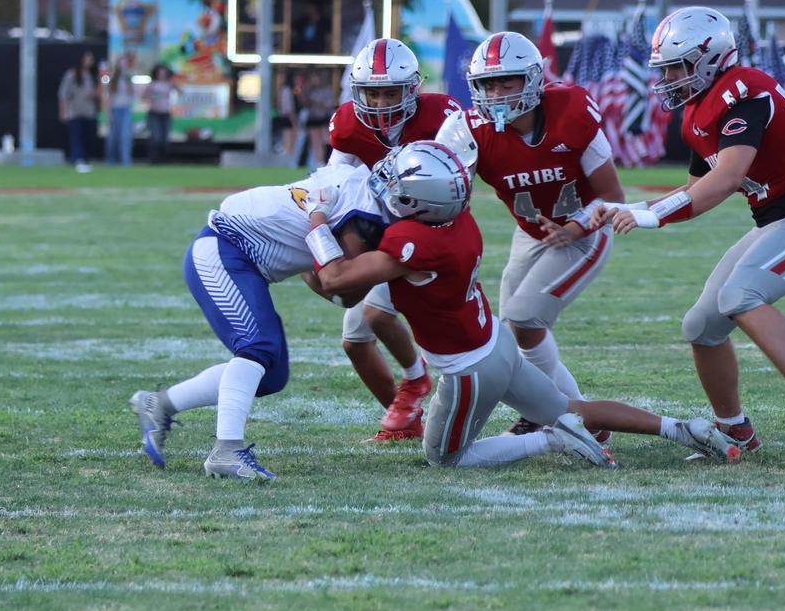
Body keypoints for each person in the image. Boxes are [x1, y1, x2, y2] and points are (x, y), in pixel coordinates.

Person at [309, 142, 743, 468]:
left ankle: (552, 440)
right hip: (496, 344)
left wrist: (316, 219)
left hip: (468, 369)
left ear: (418, 203)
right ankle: (681, 429)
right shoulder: (458, 221)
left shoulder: (410, 241)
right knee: (572, 410)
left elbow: (336, 280)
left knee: (446, 458)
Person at [589, 5, 785, 451]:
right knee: (701, 325)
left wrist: (653, 216)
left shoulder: (743, 91)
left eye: (676, 66)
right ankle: (734, 428)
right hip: (777, 219)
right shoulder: (699, 110)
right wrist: (631, 207)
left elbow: (727, 178)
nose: (668, 77)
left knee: (739, 295)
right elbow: (694, 191)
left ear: (708, 58)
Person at [450, 30, 627, 432]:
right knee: (510, 334)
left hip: (586, 229)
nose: (496, 94)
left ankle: (576, 418)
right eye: (488, 85)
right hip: (531, 232)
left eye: (506, 83)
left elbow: (612, 197)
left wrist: (576, 228)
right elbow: (448, 192)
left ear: (532, 79)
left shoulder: (571, 111)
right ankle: (564, 415)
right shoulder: (470, 129)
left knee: (525, 318)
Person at [127, 165, 351, 481]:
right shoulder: (357, 198)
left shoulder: (349, 188)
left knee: (270, 376)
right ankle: (226, 451)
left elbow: (329, 280)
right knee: (257, 347)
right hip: (222, 250)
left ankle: (160, 404)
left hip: (244, 263)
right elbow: (337, 283)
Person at [317, 37, 464, 441]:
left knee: (378, 316)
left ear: (412, 89)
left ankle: (417, 381)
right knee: (354, 341)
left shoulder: (442, 116)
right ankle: (408, 420)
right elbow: (334, 180)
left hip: (430, 230)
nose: (381, 103)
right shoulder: (349, 123)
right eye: (373, 93)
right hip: (384, 231)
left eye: (391, 93)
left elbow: (460, 182)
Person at [56, 50, 100, 174]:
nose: (90, 61)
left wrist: (95, 94)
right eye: (87, 58)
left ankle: (86, 160)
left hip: (89, 112)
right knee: (77, 137)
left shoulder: (93, 75)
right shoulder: (72, 74)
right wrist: (63, 110)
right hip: (75, 111)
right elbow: (63, 94)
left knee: (88, 138)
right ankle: (77, 160)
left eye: (91, 59)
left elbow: (99, 93)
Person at [103, 55, 133, 167]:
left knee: (125, 137)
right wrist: (109, 113)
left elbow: (132, 94)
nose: (123, 65)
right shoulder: (113, 78)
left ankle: (126, 161)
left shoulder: (129, 78)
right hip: (115, 109)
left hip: (126, 109)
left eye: (125, 63)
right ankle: (111, 160)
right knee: (113, 137)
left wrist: (127, 79)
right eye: (121, 63)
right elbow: (109, 98)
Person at [143, 64, 175, 164]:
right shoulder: (153, 85)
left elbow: (180, 91)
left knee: (165, 139)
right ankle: (153, 160)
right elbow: (144, 96)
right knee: (156, 137)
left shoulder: (169, 84)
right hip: (154, 114)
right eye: (160, 73)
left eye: (164, 73)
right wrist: (154, 97)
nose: (162, 75)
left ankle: (163, 160)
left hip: (166, 114)